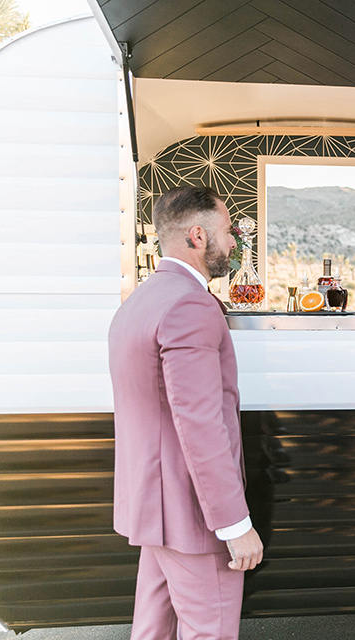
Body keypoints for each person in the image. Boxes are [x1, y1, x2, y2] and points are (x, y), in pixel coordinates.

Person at [108, 186, 264, 639]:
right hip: (193, 515)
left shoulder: (141, 300)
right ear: (197, 236)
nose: (234, 242)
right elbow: (200, 425)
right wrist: (234, 524)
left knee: (154, 630)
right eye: (227, 230)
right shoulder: (190, 305)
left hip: (154, 512)